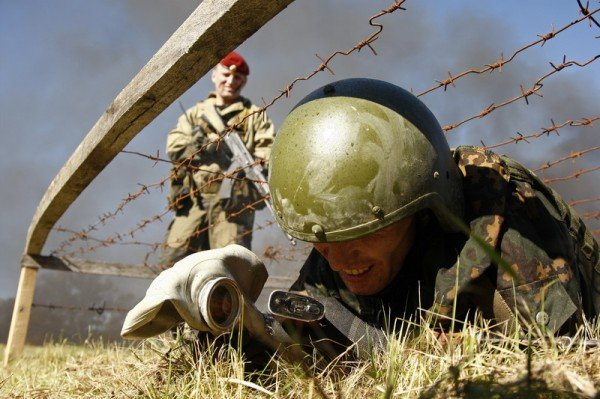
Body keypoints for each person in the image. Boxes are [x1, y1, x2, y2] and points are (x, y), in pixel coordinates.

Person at [125, 78, 599, 363]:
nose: (339, 260)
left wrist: (388, 353)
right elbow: (302, 344)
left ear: (420, 207)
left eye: (361, 236)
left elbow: (565, 353)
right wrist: (227, 319)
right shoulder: (338, 243)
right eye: (323, 243)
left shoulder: (497, 206)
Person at [158, 51, 275, 269]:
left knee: (229, 270)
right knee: (173, 267)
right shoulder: (194, 114)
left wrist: (246, 169)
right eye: (225, 75)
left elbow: (267, 152)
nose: (231, 81)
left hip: (232, 205)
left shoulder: (254, 115)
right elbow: (174, 147)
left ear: (244, 81)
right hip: (194, 201)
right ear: (214, 75)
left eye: (238, 77)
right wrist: (204, 145)